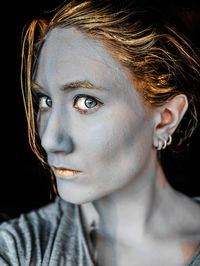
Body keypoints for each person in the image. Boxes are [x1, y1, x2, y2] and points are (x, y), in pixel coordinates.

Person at [0, 0, 200, 265]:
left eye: (87, 102)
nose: (49, 140)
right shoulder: (19, 249)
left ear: (164, 119)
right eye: (45, 101)